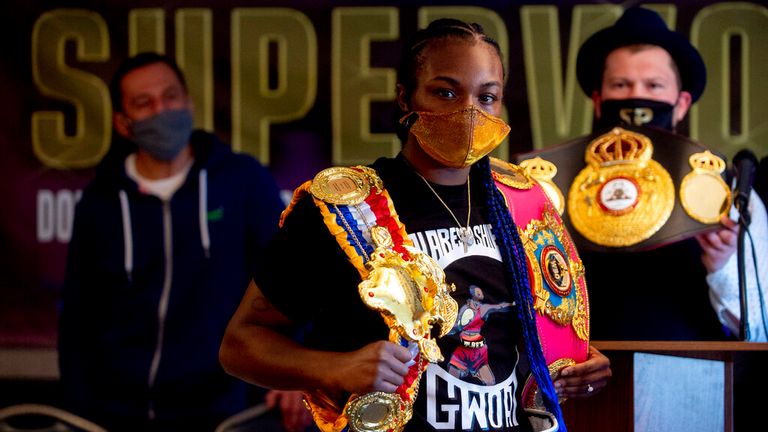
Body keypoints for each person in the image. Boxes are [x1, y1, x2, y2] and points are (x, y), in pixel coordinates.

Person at [220, 19, 611, 432]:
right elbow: (240, 345)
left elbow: (524, 336)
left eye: (488, 96)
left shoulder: (521, 202)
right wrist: (335, 368)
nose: (470, 112)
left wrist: (574, 365)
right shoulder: (342, 209)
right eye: (446, 92)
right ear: (406, 99)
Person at [58, 52, 311, 431]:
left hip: (229, 411)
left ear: (189, 103)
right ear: (123, 123)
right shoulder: (101, 200)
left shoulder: (241, 180)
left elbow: (291, 281)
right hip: (115, 414)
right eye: (145, 103)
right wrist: (79, 408)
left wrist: (297, 370)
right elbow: (78, 315)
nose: (163, 110)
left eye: (171, 97)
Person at [565, 6, 768, 341]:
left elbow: (757, 329)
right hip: (582, 384)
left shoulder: (726, 191)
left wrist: (722, 264)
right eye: (621, 84)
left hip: (696, 383)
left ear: (682, 102)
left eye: (654, 85)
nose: (637, 98)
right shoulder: (554, 187)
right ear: (599, 101)